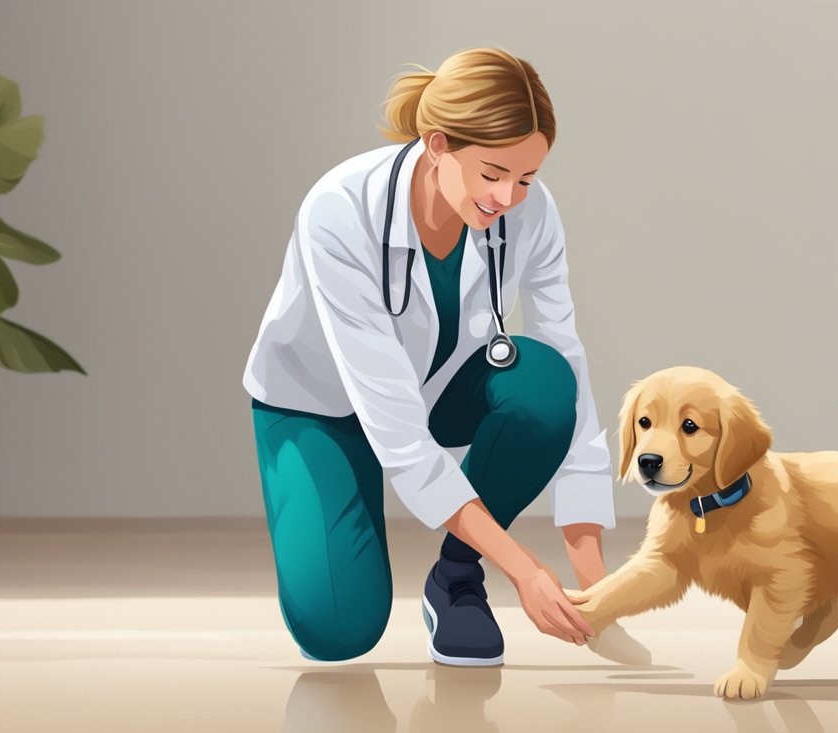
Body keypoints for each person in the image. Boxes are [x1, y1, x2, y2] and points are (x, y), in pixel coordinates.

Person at [243, 46, 613, 666]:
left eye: (526, 177)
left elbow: (566, 353)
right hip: (317, 408)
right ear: (439, 145)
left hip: (439, 386)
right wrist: (526, 571)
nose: (508, 198)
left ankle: (457, 580)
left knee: (545, 383)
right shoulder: (339, 211)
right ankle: (393, 554)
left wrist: (591, 566)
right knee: (339, 630)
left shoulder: (531, 212)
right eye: (492, 173)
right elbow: (402, 440)